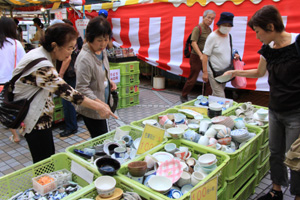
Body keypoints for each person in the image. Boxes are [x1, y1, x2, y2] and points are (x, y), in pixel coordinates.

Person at [223, 5, 300, 200]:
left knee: (296, 158)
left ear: (270, 26)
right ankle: (276, 190)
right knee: (275, 152)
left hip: (296, 113)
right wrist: (234, 72)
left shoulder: (299, 42)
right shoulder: (268, 49)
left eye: (258, 32)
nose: (257, 37)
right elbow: (259, 72)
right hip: (274, 109)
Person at [12, 23, 117, 163]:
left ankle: (47, 181)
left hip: (40, 115)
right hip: (34, 118)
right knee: (43, 160)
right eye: (69, 48)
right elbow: (69, 93)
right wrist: (99, 106)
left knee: (47, 155)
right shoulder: (41, 64)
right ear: (55, 45)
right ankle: (44, 183)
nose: (71, 52)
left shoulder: (43, 54)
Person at [75, 16, 118, 138]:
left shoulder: (102, 51)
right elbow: (82, 88)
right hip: (92, 109)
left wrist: (109, 81)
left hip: (103, 103)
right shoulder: (85, 59)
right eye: (99, 40)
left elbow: (103, 70)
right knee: (101, 138)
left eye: (106, 39)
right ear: (90, 37)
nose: (103, 44)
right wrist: (100, 104)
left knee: (102, 136)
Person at [0, 17, 26, 144]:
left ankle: (15, 135)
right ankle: (23, 128)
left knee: (6, 109)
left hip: (0, 82)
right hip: (14, 82)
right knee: (18, 106)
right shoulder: (17, 44)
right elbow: (24, 63)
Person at [180, 10, 216, 103]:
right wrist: (200, 55)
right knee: (193, 78)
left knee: (208, 78)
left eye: (212, 18)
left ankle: (207, 98)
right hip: (196, 56)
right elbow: (193, 43)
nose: (210, 20)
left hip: (206, 56)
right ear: (203, 17)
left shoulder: (209, 30)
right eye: (208, 17)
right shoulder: (198, 28)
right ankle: (184, 95)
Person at [56, 19, 82, 137]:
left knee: (68, 101)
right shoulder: (75, 38)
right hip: (71, 73)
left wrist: (60, 75)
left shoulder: (72, 40)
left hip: (69, 74)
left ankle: (71, 127)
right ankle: (70, 124)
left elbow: (68, 58)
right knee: (68, 101)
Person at [201, 12, 234, 98]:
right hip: (214, 71)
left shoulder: (229, 36)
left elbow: (228, 49)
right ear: (219, 24)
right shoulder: (212, 37)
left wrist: (235, 54)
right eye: (224, 24)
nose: (226, 27)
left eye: (229, 25)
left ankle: (211, 109)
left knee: (217, 94)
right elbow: (205, 55)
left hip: (225, 71)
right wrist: (205, 72)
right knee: (220, 96)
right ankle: (218, 110)